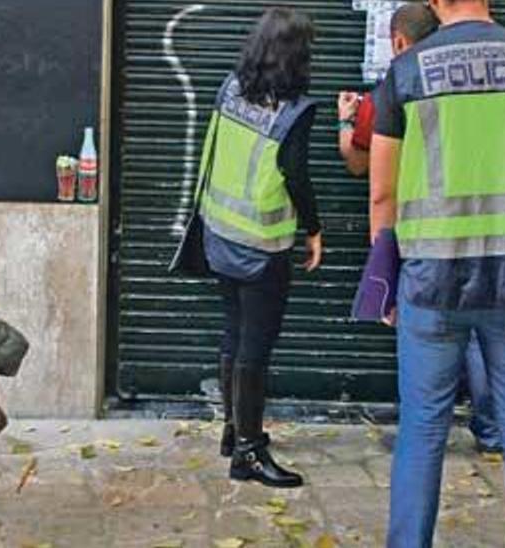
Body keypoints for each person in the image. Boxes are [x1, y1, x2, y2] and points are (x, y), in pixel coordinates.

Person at [370, 0, 505, 545]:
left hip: (432, 281)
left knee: (422, 429)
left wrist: (387, 276)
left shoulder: (407, 70)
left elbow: (383, 191)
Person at [337, 1, 503, 457]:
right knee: (474, 334)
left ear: (397, 42)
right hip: (482, 227)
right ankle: (490, 430)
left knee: (425, 337)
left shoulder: (396, 87)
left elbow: (361, 167)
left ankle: (423, 433)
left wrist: (345, 120)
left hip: (420, 236)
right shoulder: (475, 80)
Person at [201, 7, 324, 489]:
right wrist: (313, 230)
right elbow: (296, 177)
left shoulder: (231, 88)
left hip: (219, 231)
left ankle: (235, 430)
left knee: (234, 333)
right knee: (255, 346)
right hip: (259, 247)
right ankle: (249, 453)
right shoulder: (293, 112)